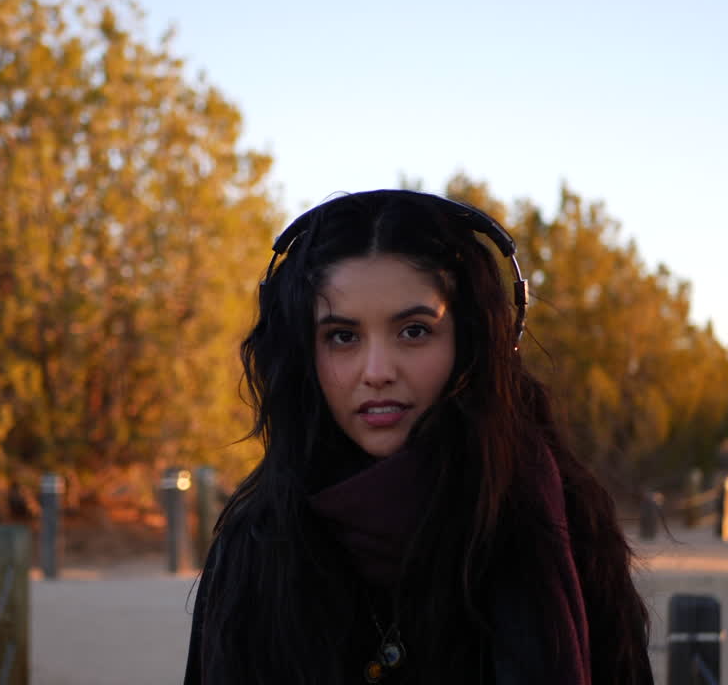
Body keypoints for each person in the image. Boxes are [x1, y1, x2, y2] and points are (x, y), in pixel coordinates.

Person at [183, 189, 653, 684]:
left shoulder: (554, 519)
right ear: (304, 352)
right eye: (343, 336)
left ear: (470, 342)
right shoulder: (257, 542)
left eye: (413, 331)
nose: (377, 371)